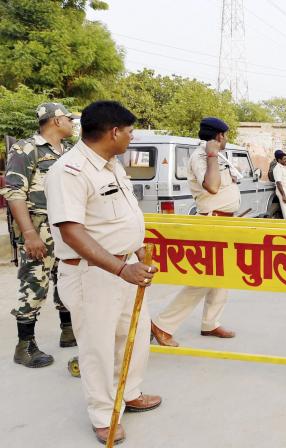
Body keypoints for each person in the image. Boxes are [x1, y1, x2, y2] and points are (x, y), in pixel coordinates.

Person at [45, 101, 161, 444]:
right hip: (92, 274)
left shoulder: (111, 165)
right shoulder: (70, 171)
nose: (131, 137)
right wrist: (121, 268)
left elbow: (116, 215)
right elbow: (72, 232)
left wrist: (135, 246)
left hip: (125, 268)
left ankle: (129, 393)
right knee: (97, 347)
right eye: (129, 131)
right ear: (114, 132)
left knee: (135, 336)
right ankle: (102, 414)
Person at [0, 103, 77, 368]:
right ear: (56, 120)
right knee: (35, 283)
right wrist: (30, 233)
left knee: (66, 278)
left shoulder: (67, 151)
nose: (71, 122)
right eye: (68, 118)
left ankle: (68, 331)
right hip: (40, 228)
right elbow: (14, 192)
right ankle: (25, 346)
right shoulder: (26, 149)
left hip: (64, 227)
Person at [150, 117, 238, 348]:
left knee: (223, 276)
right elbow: (212, 186)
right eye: (225, 135)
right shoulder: (201, 156)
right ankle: (162, 324)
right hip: (212, 223)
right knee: (204, 278)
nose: (226, 139)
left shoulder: (218, 156)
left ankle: (210, 323)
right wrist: (210, 155)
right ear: (219, 136)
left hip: (224, 223)